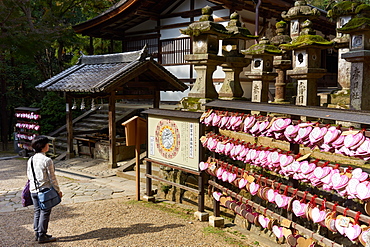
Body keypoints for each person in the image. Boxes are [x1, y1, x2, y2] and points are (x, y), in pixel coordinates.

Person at [27, 135, 62, 243]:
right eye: (47, 144)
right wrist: (58, 190)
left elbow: (29, 175)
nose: (48, 146)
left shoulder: (31, 159)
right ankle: (42, 236)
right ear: (43, 146)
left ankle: (38, 233)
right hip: (44, 190)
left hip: (33, 190)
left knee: (37, 211)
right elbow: (52, 178)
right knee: (45, 212)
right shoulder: (47, 160)